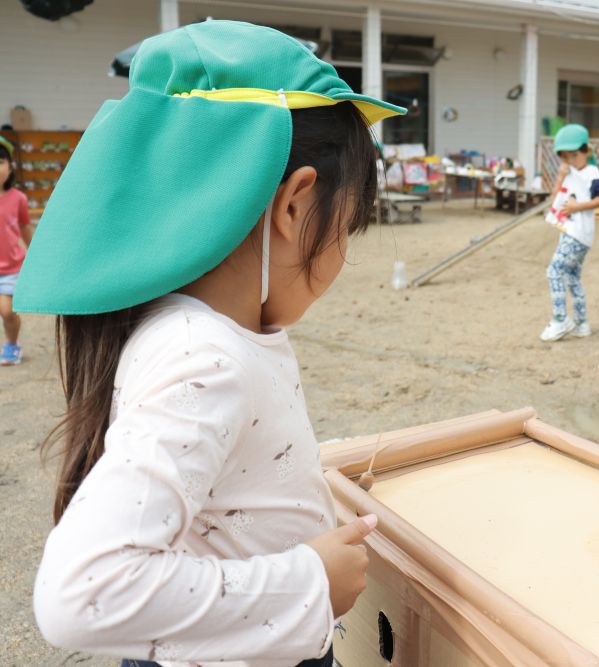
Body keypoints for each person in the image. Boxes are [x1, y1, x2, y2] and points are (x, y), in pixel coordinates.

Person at [21, 21, 406, 667]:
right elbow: (81, 594)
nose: (341, 256)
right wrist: (309, 580)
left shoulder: (214, 331)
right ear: (293, 206)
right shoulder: (205, 356)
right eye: (347, 228)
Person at [540, 124, 599, 342]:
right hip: (570, 231)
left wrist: (577, 206)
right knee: (572, 277)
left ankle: (561, 319)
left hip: (578, 234)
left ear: (586, 151)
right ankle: (582, 323)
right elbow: (554, 200)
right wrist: (559, 177)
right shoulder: (569, 173)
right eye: (566, 156)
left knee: (554, 271)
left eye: (575, 155)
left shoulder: (592, 173)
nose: (571, 159)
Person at [0, 135, 32, 365]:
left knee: (8, 312)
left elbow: (24, 227)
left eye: (0, 162)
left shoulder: (18, 198)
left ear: (10, 168)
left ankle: (12, 345)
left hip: (10, 268)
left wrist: (35, 254)